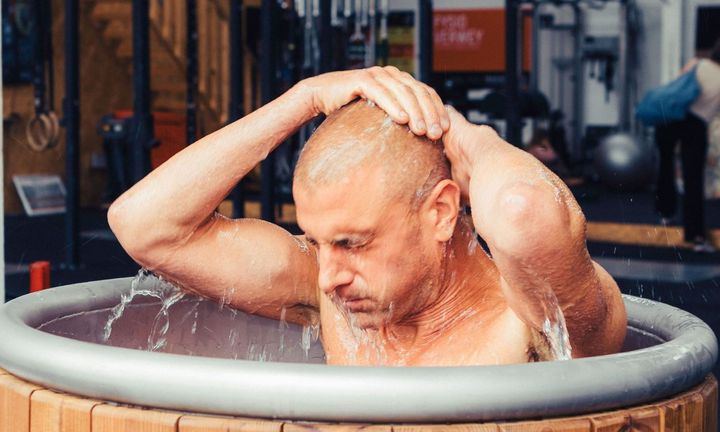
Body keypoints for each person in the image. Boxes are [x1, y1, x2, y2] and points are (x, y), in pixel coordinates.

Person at [109, 67, 626, 366]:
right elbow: (144, 225)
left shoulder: (534, 323)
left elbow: (523, 214)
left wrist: (472, 141)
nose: (329, 275)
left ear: (442, 212)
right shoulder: (324, 287)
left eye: (353, 243)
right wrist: (305, 97)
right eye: (318, 240)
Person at [655, 39, 720, 252]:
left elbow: (674, 87)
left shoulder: (697, 63)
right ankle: (696, 237)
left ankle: (665, 213)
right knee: (693, 180)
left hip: (669, 118)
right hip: (695, 124)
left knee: (665, 166)